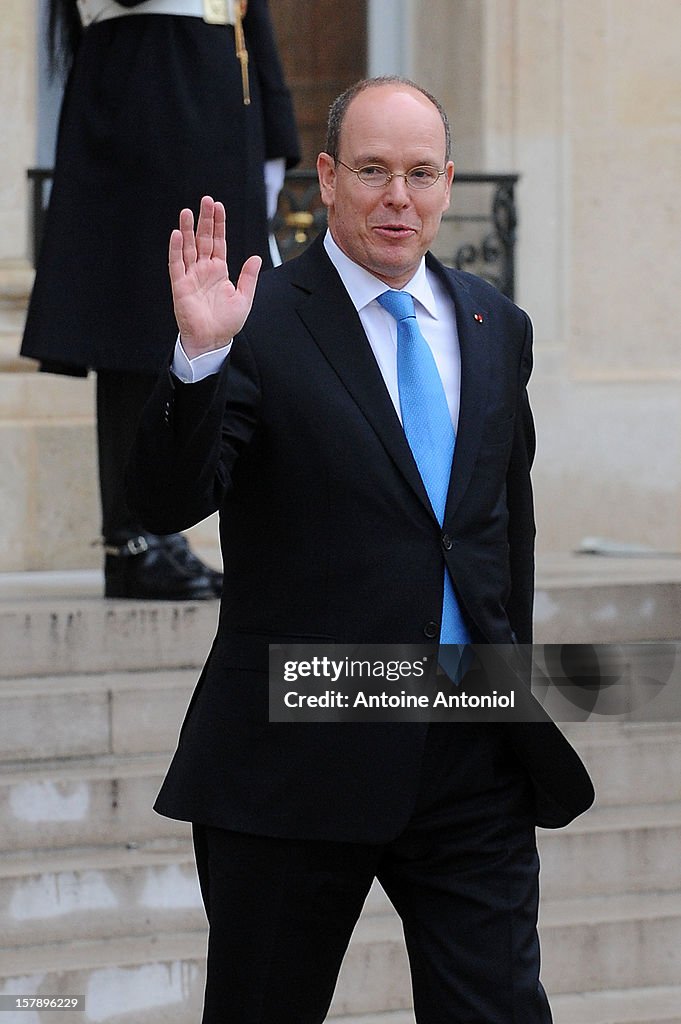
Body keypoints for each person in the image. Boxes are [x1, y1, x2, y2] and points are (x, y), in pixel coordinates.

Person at [127, 77, 594, 1023]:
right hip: (301, 750)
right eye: (374, 171)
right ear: (328, 179)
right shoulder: (256, 319)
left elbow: (504, 530)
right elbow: (169, 501)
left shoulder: (494, 326)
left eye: (421, 174)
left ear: (449, 182)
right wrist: (199, 360)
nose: (398, 198)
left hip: (469, 749)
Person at [20, 0, 300, 599]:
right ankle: (135, 539)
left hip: (220, 106)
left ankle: (171, 533)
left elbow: (248, 14)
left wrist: (274, 129)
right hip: (145, 96)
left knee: (217, 333)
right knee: (139, 328)